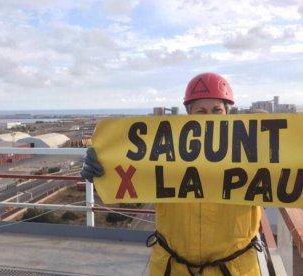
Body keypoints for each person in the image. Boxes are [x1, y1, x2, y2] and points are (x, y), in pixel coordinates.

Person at [81, 72, 262, 276]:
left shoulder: (253, 153)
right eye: (201, 110)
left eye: (216, 110)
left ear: (227, 113)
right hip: (173, 268)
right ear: (189, 114)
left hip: (234, 269)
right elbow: (129, 174)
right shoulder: (161, 150)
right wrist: (101, 169)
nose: (209, 116)